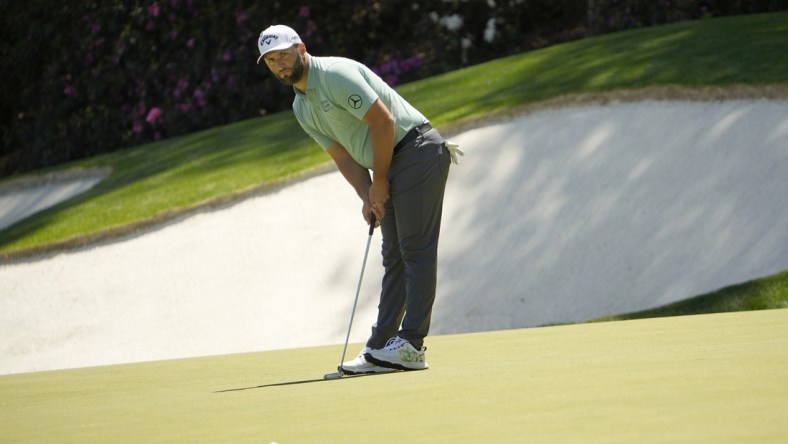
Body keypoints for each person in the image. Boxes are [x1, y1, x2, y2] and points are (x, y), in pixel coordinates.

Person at [257, 24, 461, 373]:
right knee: (393, 257)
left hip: (416, 151)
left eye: (285, 55)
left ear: (302, 48)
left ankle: (412, 344)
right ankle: (380, 347)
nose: (280, 65)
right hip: (391, 162)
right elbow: (342, 155)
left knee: (414, 250)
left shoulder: (335, 75)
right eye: (272, 60)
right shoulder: (301, 107)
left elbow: (382, 122)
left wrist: (379, 181)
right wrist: (367, 194)